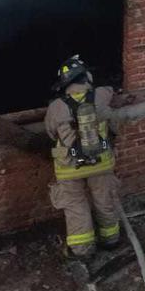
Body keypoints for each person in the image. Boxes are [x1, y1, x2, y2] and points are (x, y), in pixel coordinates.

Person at [44, 56, 121, 258]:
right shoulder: (102, 94)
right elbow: (112, 94)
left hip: (68, 167)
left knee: (76, 206)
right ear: (85, 76)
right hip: (101, 161)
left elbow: (51, 133)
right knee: (105, 200)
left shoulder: (55, 107)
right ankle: (111, 240)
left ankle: (83, 250)